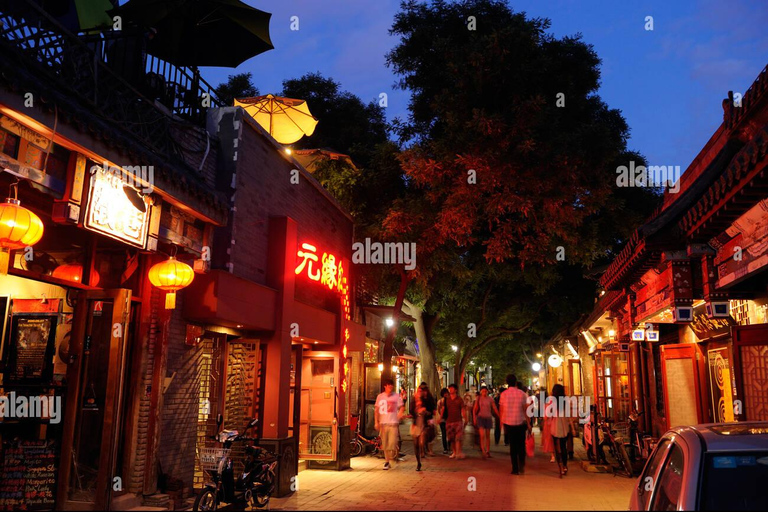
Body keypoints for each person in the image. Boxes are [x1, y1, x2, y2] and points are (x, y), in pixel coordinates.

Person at [499, 374, 531, 475]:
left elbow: (501, 410)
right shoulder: (522, 394)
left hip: (509, 423)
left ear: (507, 382)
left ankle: (515, 468)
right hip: (521, 422)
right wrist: (529, 423)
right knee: (521, 445)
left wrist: (501, 423)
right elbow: (526, 409)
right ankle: (521, 462)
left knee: (513, 446)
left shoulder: (503, 394)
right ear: (516, 382)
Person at [375, 379, 405, 470]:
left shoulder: (396, 396)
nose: (390, 387)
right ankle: (387, 461)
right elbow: (376, 410)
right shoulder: (380, 397)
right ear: (385, 386)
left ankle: (393, 455)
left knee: (391, 443)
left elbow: (402, 407)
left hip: (393, 423)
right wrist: (376, 422)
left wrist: (400, 414)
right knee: (385, 443)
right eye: (388, 386)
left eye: (391, 386)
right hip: (383, 423)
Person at [550, 384, 576, 477]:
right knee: (563, 447)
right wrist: (572, 428)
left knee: (557, 448)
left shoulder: (552, 401)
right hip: (564, 427)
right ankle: (565, 466)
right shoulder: (567, 401)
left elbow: (548, 415)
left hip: (555, 427)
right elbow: (569, 416)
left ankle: (560, 466)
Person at [410, 382, 435, 471]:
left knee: (421, 441)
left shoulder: (428, 399)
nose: (420, 392)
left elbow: (432, 410)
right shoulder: (413, 400)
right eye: (420, 390)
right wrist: (417, 411)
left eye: (423, 390)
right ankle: (418, 462)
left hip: (425, 423)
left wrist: (426, 412)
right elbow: (411, 411)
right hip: (416, 423)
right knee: (416, 444)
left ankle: (425, 449)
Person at [473, 385, 499, 458]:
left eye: (485, 391)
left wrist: (499, 415)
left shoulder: (490, 399)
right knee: (482, 435)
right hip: (480, 417)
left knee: (487, 435)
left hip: (488, 417)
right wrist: (474, 418)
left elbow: (494, 407)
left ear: (487, 391)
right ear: (481, 392)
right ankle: (483, 450)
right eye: (483, 391)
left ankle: (488, 451)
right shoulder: (478, 399)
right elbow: (475, 409)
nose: (484, 392)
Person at [444, 384, 467, 459]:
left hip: (458, 421)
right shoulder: (447, 399)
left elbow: (463, 409)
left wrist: (465, 418)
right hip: (449, 421)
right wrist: (441, 417)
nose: (450, 390)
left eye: (452, 388)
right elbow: (444, 409)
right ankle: (454, 452)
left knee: (458, 438)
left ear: (456, 390)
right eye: (449, 388)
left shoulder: (459, 399)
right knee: (451, 439)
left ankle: (458, 453)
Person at [436, 388, 450, 454]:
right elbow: (438, 410)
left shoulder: (450, 400)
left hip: (449, 419)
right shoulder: (440, 401)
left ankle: (448, 446)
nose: (446, 394)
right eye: (445, 393)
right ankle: (445, 447)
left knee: (449, 433)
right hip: (443, 419)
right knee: (444, 434)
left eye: (447, 393)